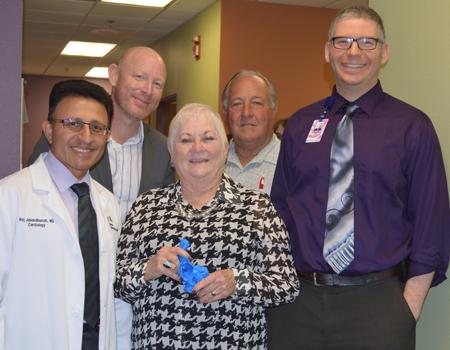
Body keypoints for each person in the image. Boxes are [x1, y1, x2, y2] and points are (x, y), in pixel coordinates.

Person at [268, 6, 450, 350]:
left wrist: (405, 310)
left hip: (378, 307)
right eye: (343, 41)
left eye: (367, 42)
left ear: (384, 52)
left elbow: (431, 227)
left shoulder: (413, 127)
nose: (354, 52)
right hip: (297, 305)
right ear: (327, 51)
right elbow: (279, 217)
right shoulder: (300, 125)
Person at [115, 103, 299, 349]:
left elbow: (286, 285)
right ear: (171, 152)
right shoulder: (145, 208)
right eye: (186, 140)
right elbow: (117, 285)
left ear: (225, 149)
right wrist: (149, 268)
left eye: (208, 138)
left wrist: (237, 281)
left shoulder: (257, 208)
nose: (197, 148)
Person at [28, 46, 174, 349]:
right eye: (139, 77)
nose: (147, 90)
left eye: (157, 83)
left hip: (132, 298)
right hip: (66, 291)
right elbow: (36, 199)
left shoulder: (164, 151)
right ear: (114, 75)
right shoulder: (72, 138)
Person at [0, 80, 121, 350]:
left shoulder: (108, 204)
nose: (87, 137)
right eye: (73, 123)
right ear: (49, 130)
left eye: (97, 128)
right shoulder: (9, 197)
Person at [222, 70, 280, 194]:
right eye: (237, 104)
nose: (246, 113)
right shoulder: (210, 163)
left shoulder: (291, 164)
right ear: (226, 113)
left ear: (273, 110)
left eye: (256, 103)